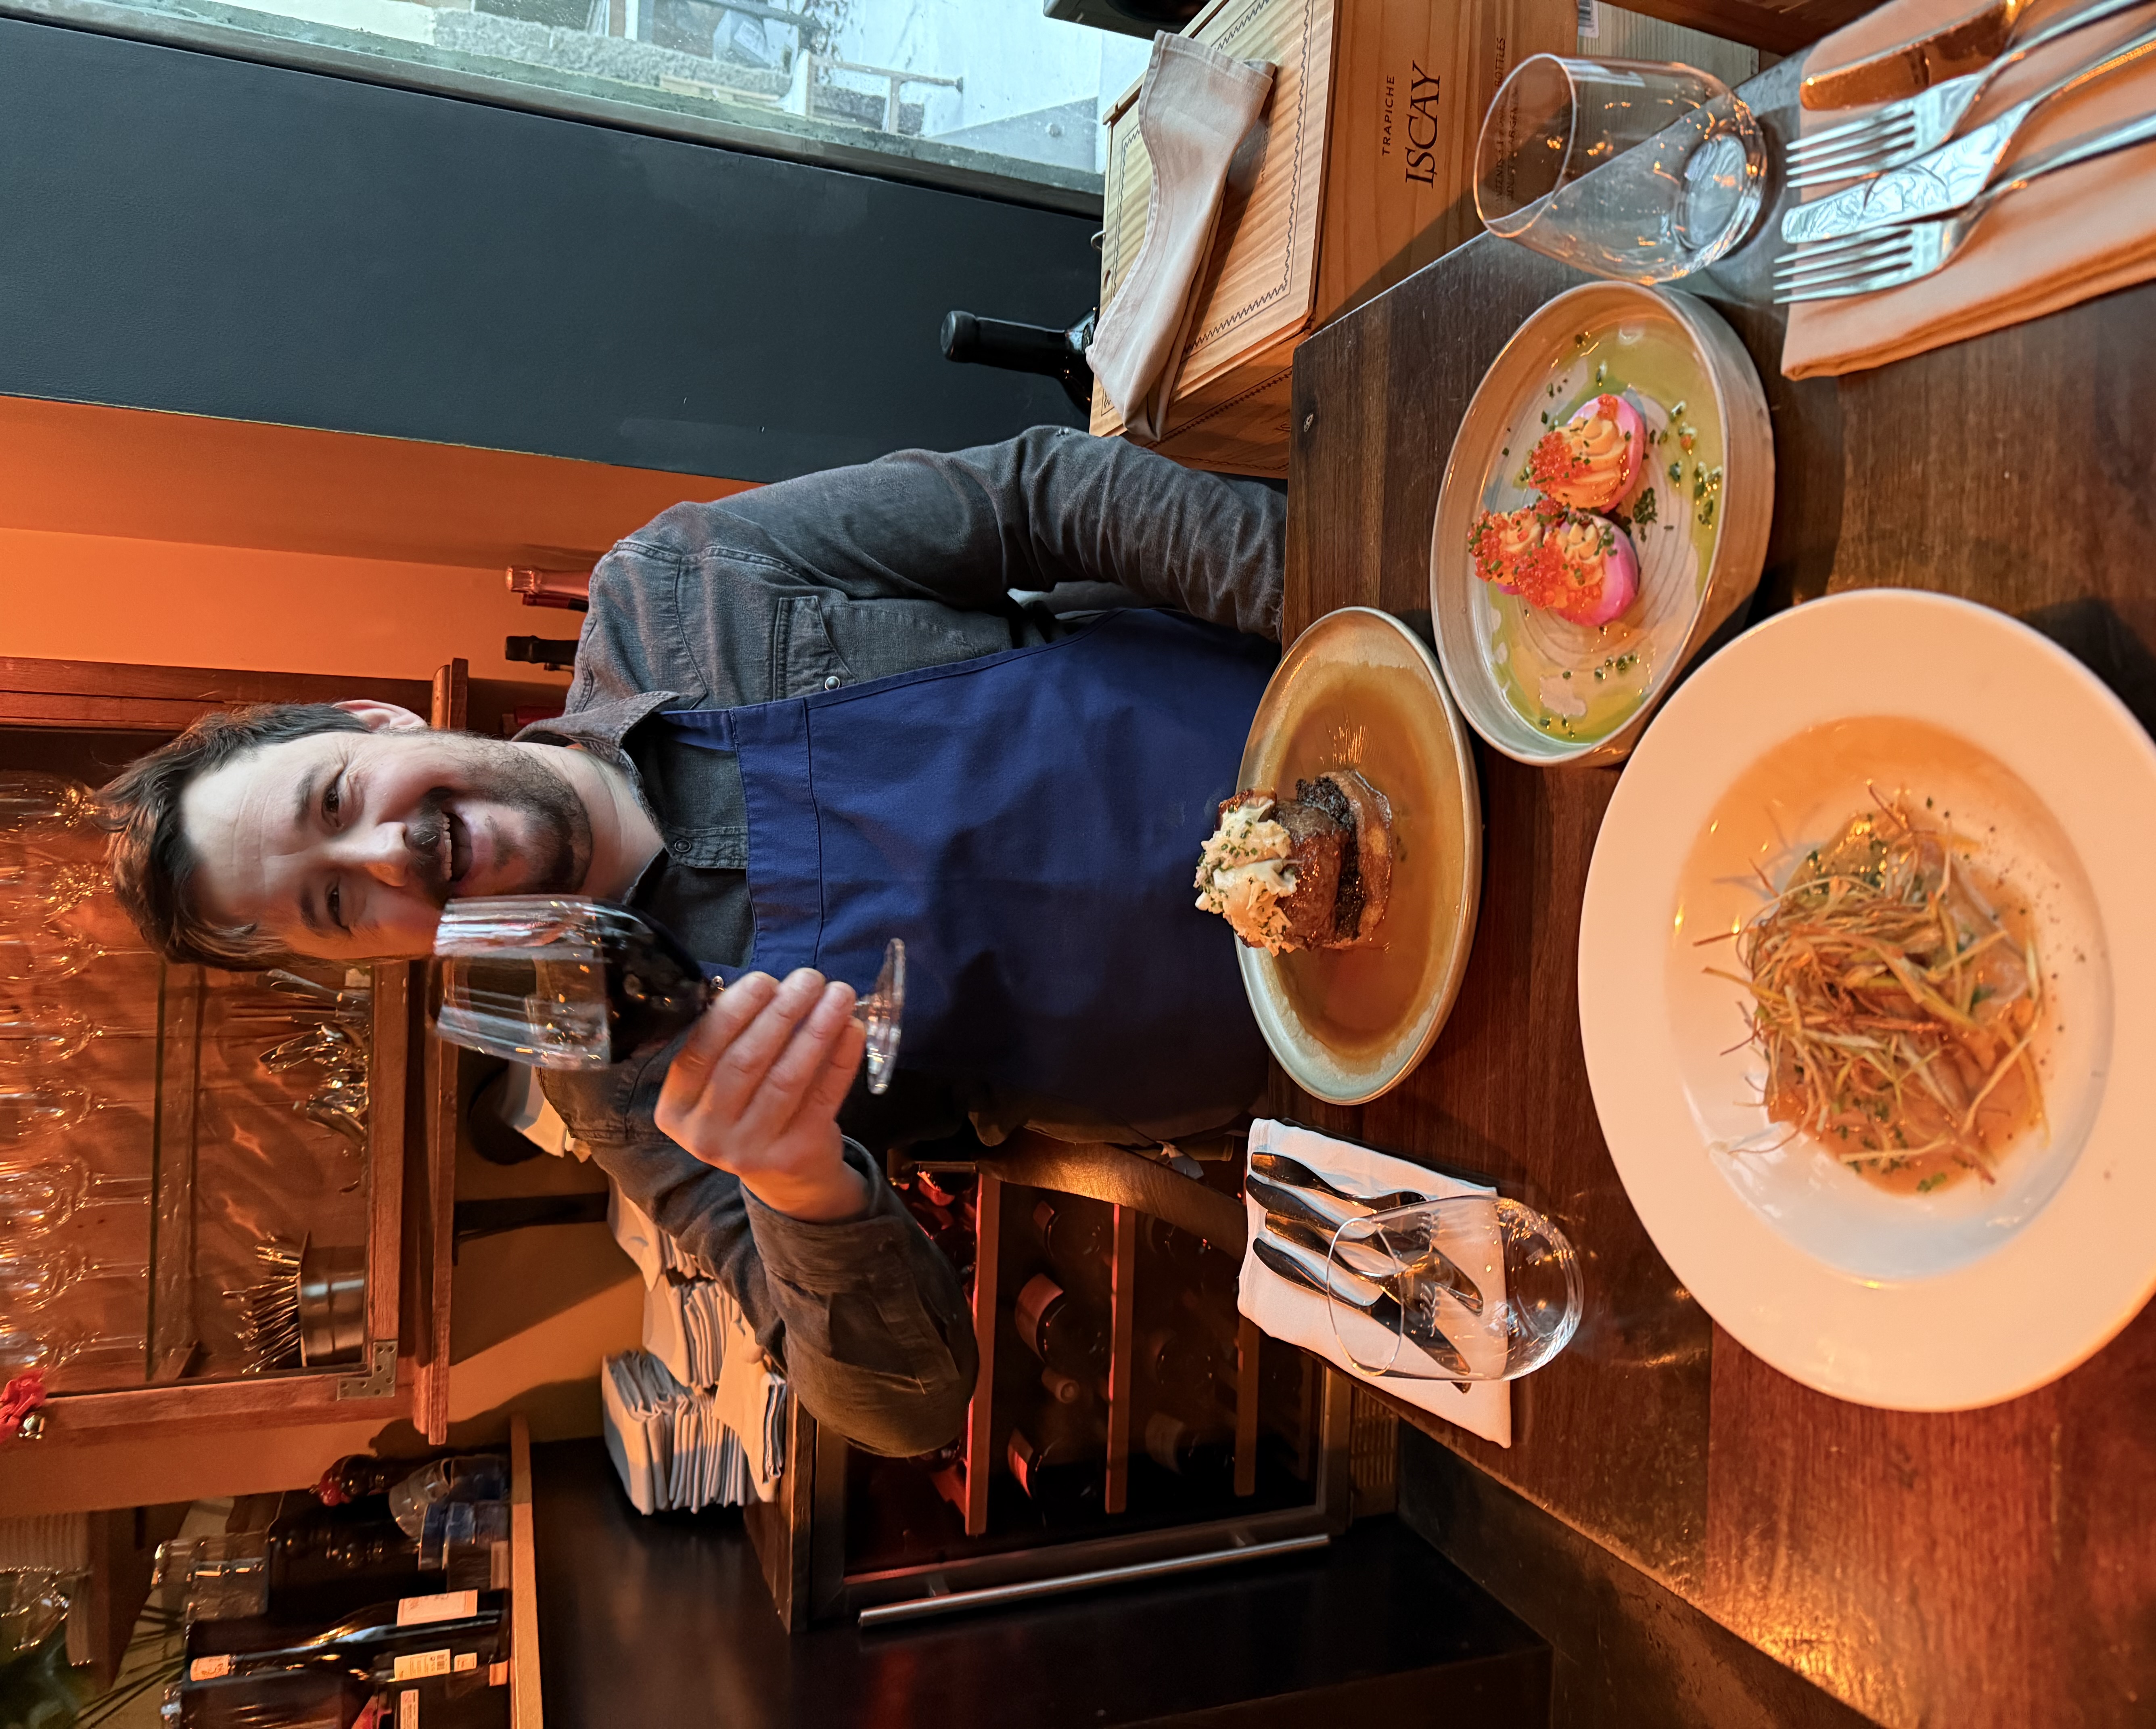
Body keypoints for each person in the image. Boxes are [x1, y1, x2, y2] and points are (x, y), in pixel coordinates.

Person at [99, 427, 1285, 1457]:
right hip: (1322, 1049)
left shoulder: (679, 588)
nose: (386, 857)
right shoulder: (615, 1089)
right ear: (378, 964)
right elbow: (905, 1408)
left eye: (337, 800)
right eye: (337, 905)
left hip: (1309, 691)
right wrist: (797, 1186)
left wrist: (1333, 598)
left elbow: (1041, 497)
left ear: (377, 722)